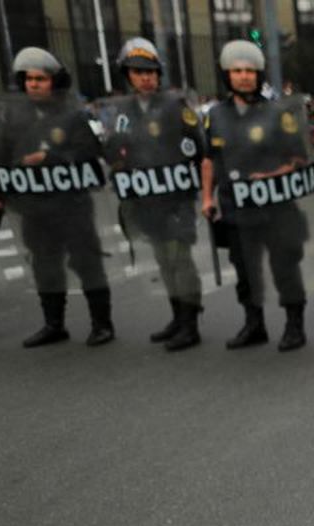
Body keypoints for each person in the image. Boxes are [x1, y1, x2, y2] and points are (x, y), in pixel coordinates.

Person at [0, 47, 113, 347]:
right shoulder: (15, 116)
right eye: (29, 79)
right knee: (44, 264)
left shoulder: (72, 115)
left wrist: (51, 157)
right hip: (34, 205)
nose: (33, 84)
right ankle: (53, 324)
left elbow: (90, 151)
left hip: (71, 204)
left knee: (86, 262)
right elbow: (1, 158)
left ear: (53, 82)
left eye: (40, 79)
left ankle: (102, 324)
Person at [201, 40, 314, 351]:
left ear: (259, 74)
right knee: (245, 270)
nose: (244, 77)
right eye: (237, 71)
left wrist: (272, 176)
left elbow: (299, 159)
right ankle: (254, 324)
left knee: (284, 266)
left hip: (276, 207)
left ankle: (294, 325)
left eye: (250, 71)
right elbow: (210, 159)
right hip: (237, 209)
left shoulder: (278, 112)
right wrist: (207, 198)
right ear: (227, 75)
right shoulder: (215, 115)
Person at [100, 38, 207, 351]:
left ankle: (190, 324)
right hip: (146, 199)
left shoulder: (176, 105)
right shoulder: (122, 111)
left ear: (159, 74)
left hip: (176, 197)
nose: (145, 77)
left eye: (150, 71)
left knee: (180, 258)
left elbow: (197, 146)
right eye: (138, 72)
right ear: (128, 75)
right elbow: (112, 151)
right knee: (163, 259)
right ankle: (177, 316)